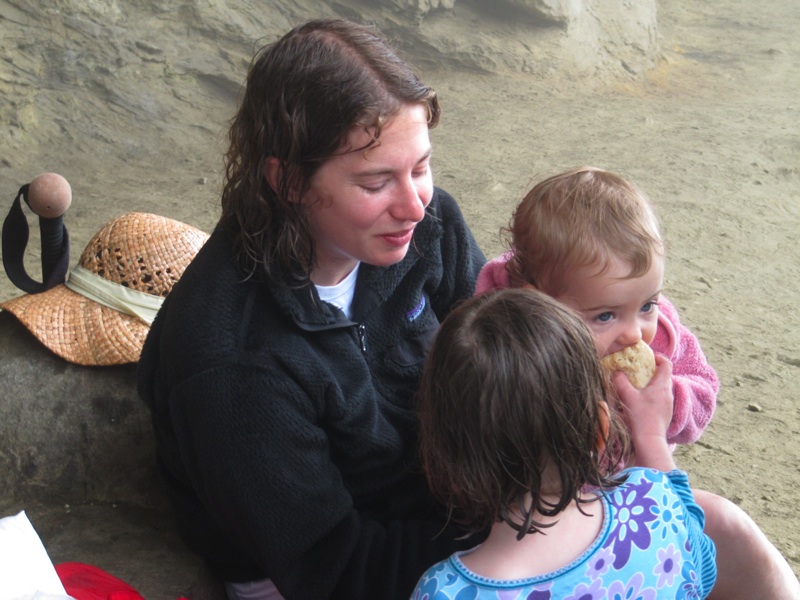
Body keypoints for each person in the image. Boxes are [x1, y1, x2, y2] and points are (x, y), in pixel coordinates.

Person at [137, 18, 486, 600]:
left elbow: (509, 354)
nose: (415, 206)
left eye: (420, 168)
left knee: (689, 519)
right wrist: (513, 538)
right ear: (290, 181)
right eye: (376, 183)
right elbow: (335, 567)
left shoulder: (428, 226)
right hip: (324, 571)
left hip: (452, 505)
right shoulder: (233, 361)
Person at [474, 166, 800, 599]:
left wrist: (664, 408)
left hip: (635, 505)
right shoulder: (506, 345)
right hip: (536, 523)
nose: (636, 333)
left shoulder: (659, 333)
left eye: (647, 304)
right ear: (536, 301)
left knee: (727, 530)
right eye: (605, 316)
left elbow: (702, 391)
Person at [411, 287, 718, 598]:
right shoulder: (655, 510)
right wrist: (651, 435)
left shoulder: (444, 590)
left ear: (439, 452)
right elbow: (700, 563)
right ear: (600, 432)